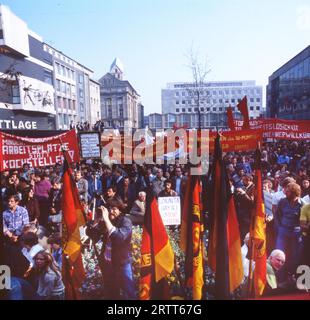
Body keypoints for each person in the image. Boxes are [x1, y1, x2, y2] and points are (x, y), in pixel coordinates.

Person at [97, 200, 136, 299]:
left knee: (128, 292)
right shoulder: (108, 220)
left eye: (114, 209)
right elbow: (93, 234)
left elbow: (118, 236)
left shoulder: (126, 221)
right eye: (109, 209)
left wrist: (106, 220)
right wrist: (97, 220)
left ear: (120, 210)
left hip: (122, 263)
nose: (111, 211)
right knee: (112, 292)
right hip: (108, 263)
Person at [275, 182, 303, 283]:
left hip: (296, 233)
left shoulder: (302, 204)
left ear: (294, 192)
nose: (285, 192)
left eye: (288, 191)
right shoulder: (282, 202)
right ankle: (280, 278)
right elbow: (277, 215)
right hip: (283, 231)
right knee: (279, 254)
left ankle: (292, 276)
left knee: (296, 255)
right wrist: (279, 227)